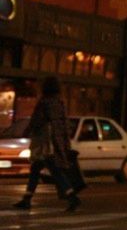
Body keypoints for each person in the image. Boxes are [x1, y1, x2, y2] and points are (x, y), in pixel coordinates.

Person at [13, 76, 82, 213]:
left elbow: (36, 120)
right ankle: (27, 198)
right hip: (56, 141)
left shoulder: (44, 103)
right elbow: (64, 123)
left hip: (44, 143)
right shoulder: (60, 102)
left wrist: (27, 132)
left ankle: (72, 196)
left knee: (53, 170)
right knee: (37, 169)